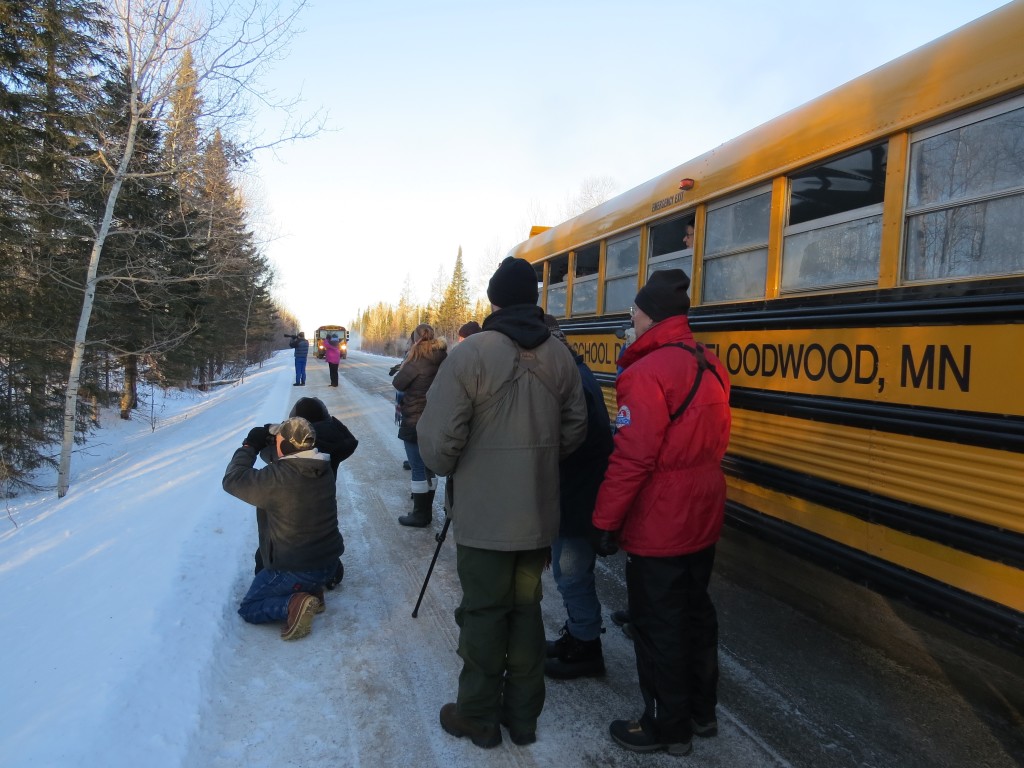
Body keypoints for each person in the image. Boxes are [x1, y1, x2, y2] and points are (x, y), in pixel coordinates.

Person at [417, 256, 588, 749]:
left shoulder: (470, 355)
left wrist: (459, 466)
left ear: (492, 300)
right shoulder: (559, 355)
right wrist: (538, 462)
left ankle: (477, 715)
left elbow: (438, 443)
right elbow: (575, 428)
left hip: (484, 516)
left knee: (484, 613)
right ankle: (523, 717)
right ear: (534, 299)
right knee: (526, 609)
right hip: (537, 513)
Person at [591, 269, 731, 756]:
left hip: (662, 517)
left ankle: (665, 727)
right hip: (704, 507)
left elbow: (633, 456)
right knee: (695, 611)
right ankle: (701, 712)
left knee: (657, 622)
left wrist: (605, 521)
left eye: (634, 311)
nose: (629, 318)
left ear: (650, 316)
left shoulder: (645, 373)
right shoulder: (710, 364)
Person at [222, 416, 345, 641]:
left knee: (250, 607)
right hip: (330, 564)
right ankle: (313, 590)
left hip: (297, 569)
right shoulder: (322, 466)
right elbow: (285, 456)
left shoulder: (277, 479)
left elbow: (233, 479)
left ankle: (293, 603)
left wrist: (249, 446)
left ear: (285, 446)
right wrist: (272, 433)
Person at [543, 315, 614, 680]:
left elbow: (575, 442)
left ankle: (586, 647)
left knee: (570, 573)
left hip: (577, 495)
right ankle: (578, 633)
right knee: (569, 570)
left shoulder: (571, 381)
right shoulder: (576, 372)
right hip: (577, 491)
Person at [252, 397, 358, 590]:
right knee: (321, 541)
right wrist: (328, 423)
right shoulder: (335, 447)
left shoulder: (284, 452)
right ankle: (325, 575)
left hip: (288, 525)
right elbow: (349, 439)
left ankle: (278, 580)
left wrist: (277, 429)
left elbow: (264, 452)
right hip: (320, 516)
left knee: (269, 544)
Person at [392, 324, 447, 527]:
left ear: (415, 339)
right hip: (437, 418)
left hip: (415, 418)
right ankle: (427, 509)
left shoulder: (416, 360)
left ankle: (420, 514)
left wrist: (407, 360)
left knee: (417, 467)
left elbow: (398, 383)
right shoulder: (443, 357)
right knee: (429, 465)